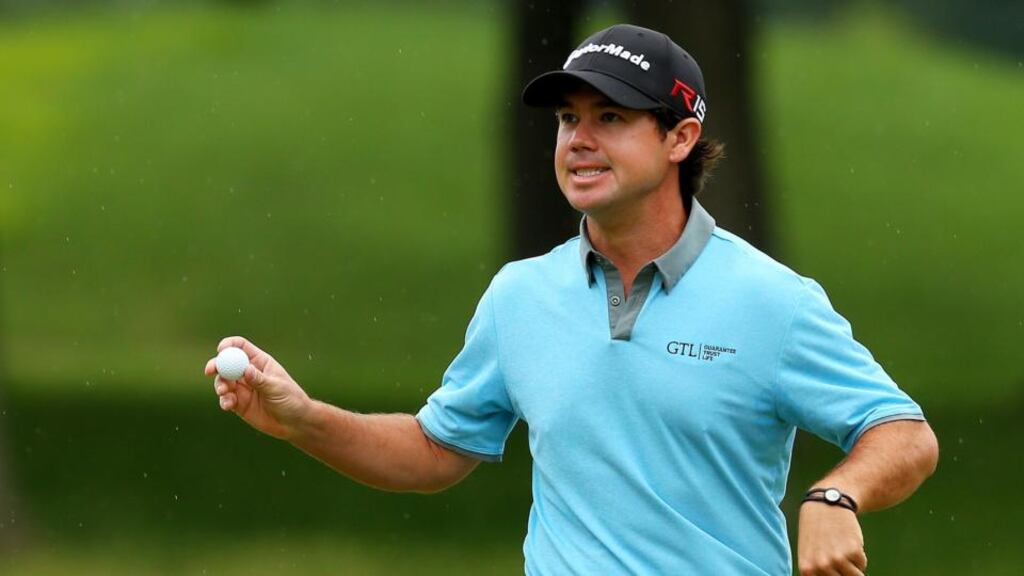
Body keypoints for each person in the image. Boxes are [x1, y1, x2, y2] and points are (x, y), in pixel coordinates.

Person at [204, 23, 938, 576]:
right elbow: (434, 450)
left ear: (681, 138)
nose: (579, 140)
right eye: (567, 120)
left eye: (610, 118)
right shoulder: (521, 295)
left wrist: (835, 498)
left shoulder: (771, 301)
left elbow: (903, 433)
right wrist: (304, 421)